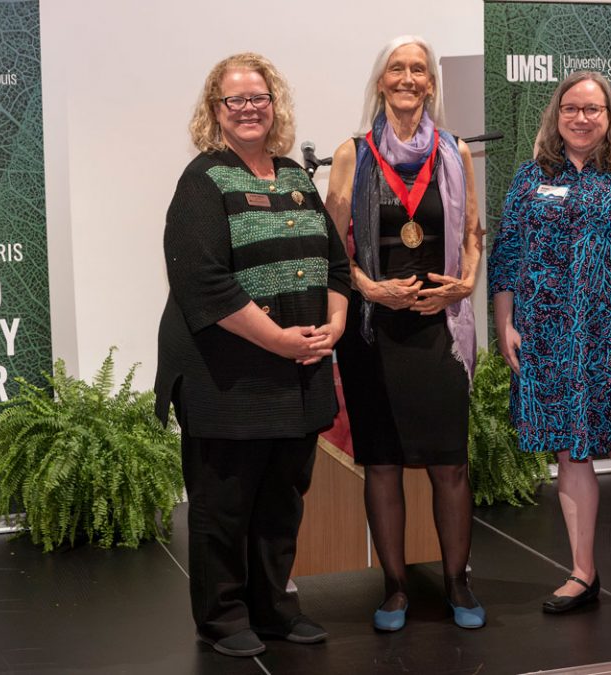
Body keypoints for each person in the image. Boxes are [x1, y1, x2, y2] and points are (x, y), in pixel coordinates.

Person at [153, 53, 350, 657]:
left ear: (275, 105)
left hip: (299, 371)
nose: (248, 109)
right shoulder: (203, 181)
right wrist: (278, 340)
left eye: (258, 98)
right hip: (225, 375)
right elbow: (203, 283)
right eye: (234, 100)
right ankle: (222, 618)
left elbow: (336, 265)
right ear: (216, 111)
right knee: (223, 506)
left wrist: (335, 324)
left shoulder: (294, 177)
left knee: (281, 500)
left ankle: (274, 608)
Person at [489, 70, 611, 616]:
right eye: (571, 108)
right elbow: (507, 254)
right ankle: (582, 573)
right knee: (571, 456)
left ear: (610, 116)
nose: (581, 118)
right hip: (550, 340)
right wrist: (505, 322)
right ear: (556, 115)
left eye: (592, 109)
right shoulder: (530, 179)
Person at [325, 36, 484, 631]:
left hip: (437, 330)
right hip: (372, 333)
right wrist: (368, 289)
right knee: (384, 465)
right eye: (398, 68)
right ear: (381, 79)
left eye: (419, 69)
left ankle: (458, 585)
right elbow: (330, 247)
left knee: (450, 466)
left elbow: (472, 232)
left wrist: (465, 283)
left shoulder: (455, 152)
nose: (409, 78)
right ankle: (393, 589)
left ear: (430, 83)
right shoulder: (352, 154)